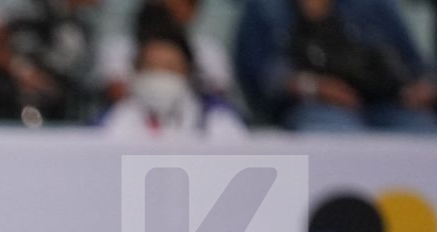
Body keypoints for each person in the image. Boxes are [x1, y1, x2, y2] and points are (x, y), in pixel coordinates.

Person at [236, 0, 437, 130]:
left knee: (423, 130)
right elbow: (259, 77)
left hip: (387, 102)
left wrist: (419, 88)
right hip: (316, 106)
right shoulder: (266, 6)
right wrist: (314, 87)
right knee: (332, 130)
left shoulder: (377, 4)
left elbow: (414, 65)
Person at [100, 24, 248, 135]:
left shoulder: (217, 118)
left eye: (169, 67)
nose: (160, 75)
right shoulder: (115, 117)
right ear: (136, 71)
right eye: (152, 67)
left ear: (188, 72)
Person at [97, 0, 234, 100]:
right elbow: (116, 93)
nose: (171, 8)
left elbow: (218, 96)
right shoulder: (120, 48)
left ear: (193, 9)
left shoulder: (209, 51)